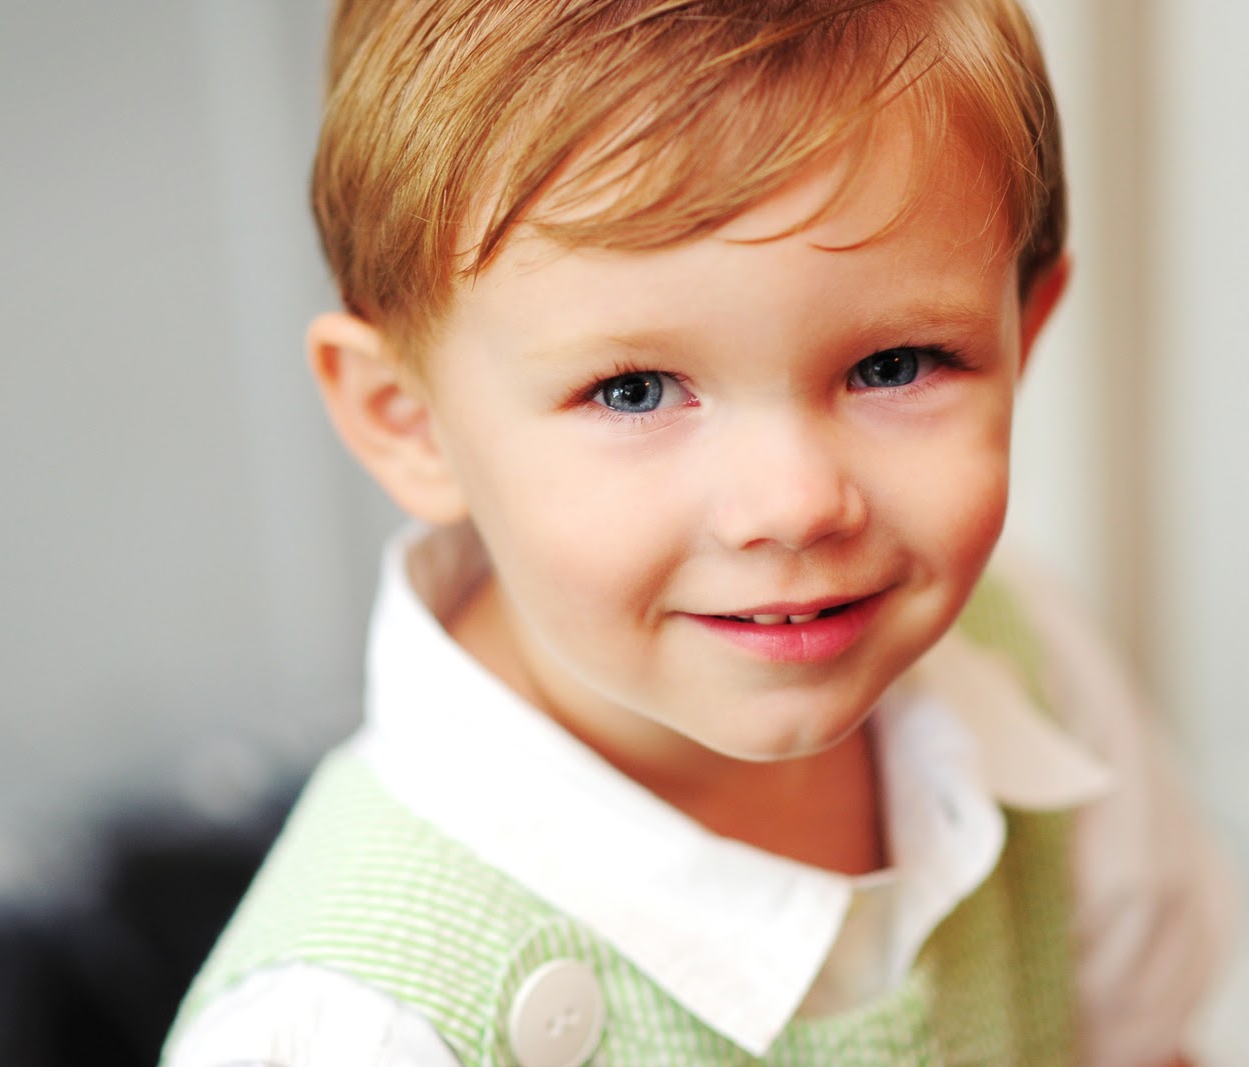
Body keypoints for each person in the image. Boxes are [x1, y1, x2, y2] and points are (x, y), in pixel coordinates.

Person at [163, 1, 1236, 1064]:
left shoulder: (1025, 661)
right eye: (632, 390)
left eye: (894, 364)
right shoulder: (356, 1023)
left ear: (1023, 331)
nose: (793, 503)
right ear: (409, 420)